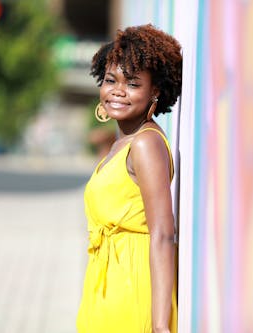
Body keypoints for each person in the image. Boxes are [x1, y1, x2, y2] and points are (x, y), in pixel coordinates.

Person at [76, 24, 182, 333]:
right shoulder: (122, 142)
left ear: (155, 92)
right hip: (105, 288)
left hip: (133, 292)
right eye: (111, 80)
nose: (118, 91)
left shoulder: (145, 144)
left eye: (133, 84)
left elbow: (163, 233)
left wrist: (160, 324)